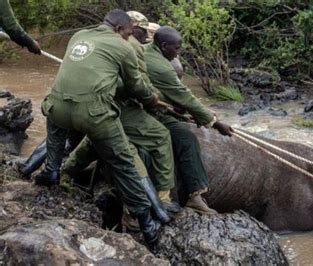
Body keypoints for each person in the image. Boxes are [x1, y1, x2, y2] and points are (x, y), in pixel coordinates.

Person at [34, 9, 166, 251]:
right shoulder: (123, 46)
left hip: (56, 108)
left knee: (57, 118)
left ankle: (51, 170)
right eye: (127, 34)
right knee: (124, 162)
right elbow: (135, 85)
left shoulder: (79, 35)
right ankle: (147, 224)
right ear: (119, 29)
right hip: (94, 115)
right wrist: (151, 99)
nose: (128, 38)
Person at [144, 26, 234, 214]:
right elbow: (184, 96)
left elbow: (174, 95)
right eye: (176, 49)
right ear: (164, 45)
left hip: (152, 106)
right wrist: (215, 123)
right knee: (187, 138)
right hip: (143, 112)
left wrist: (181, 110)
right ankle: (190, 196)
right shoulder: (161, 68)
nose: (179, 52)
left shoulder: (150, 51)